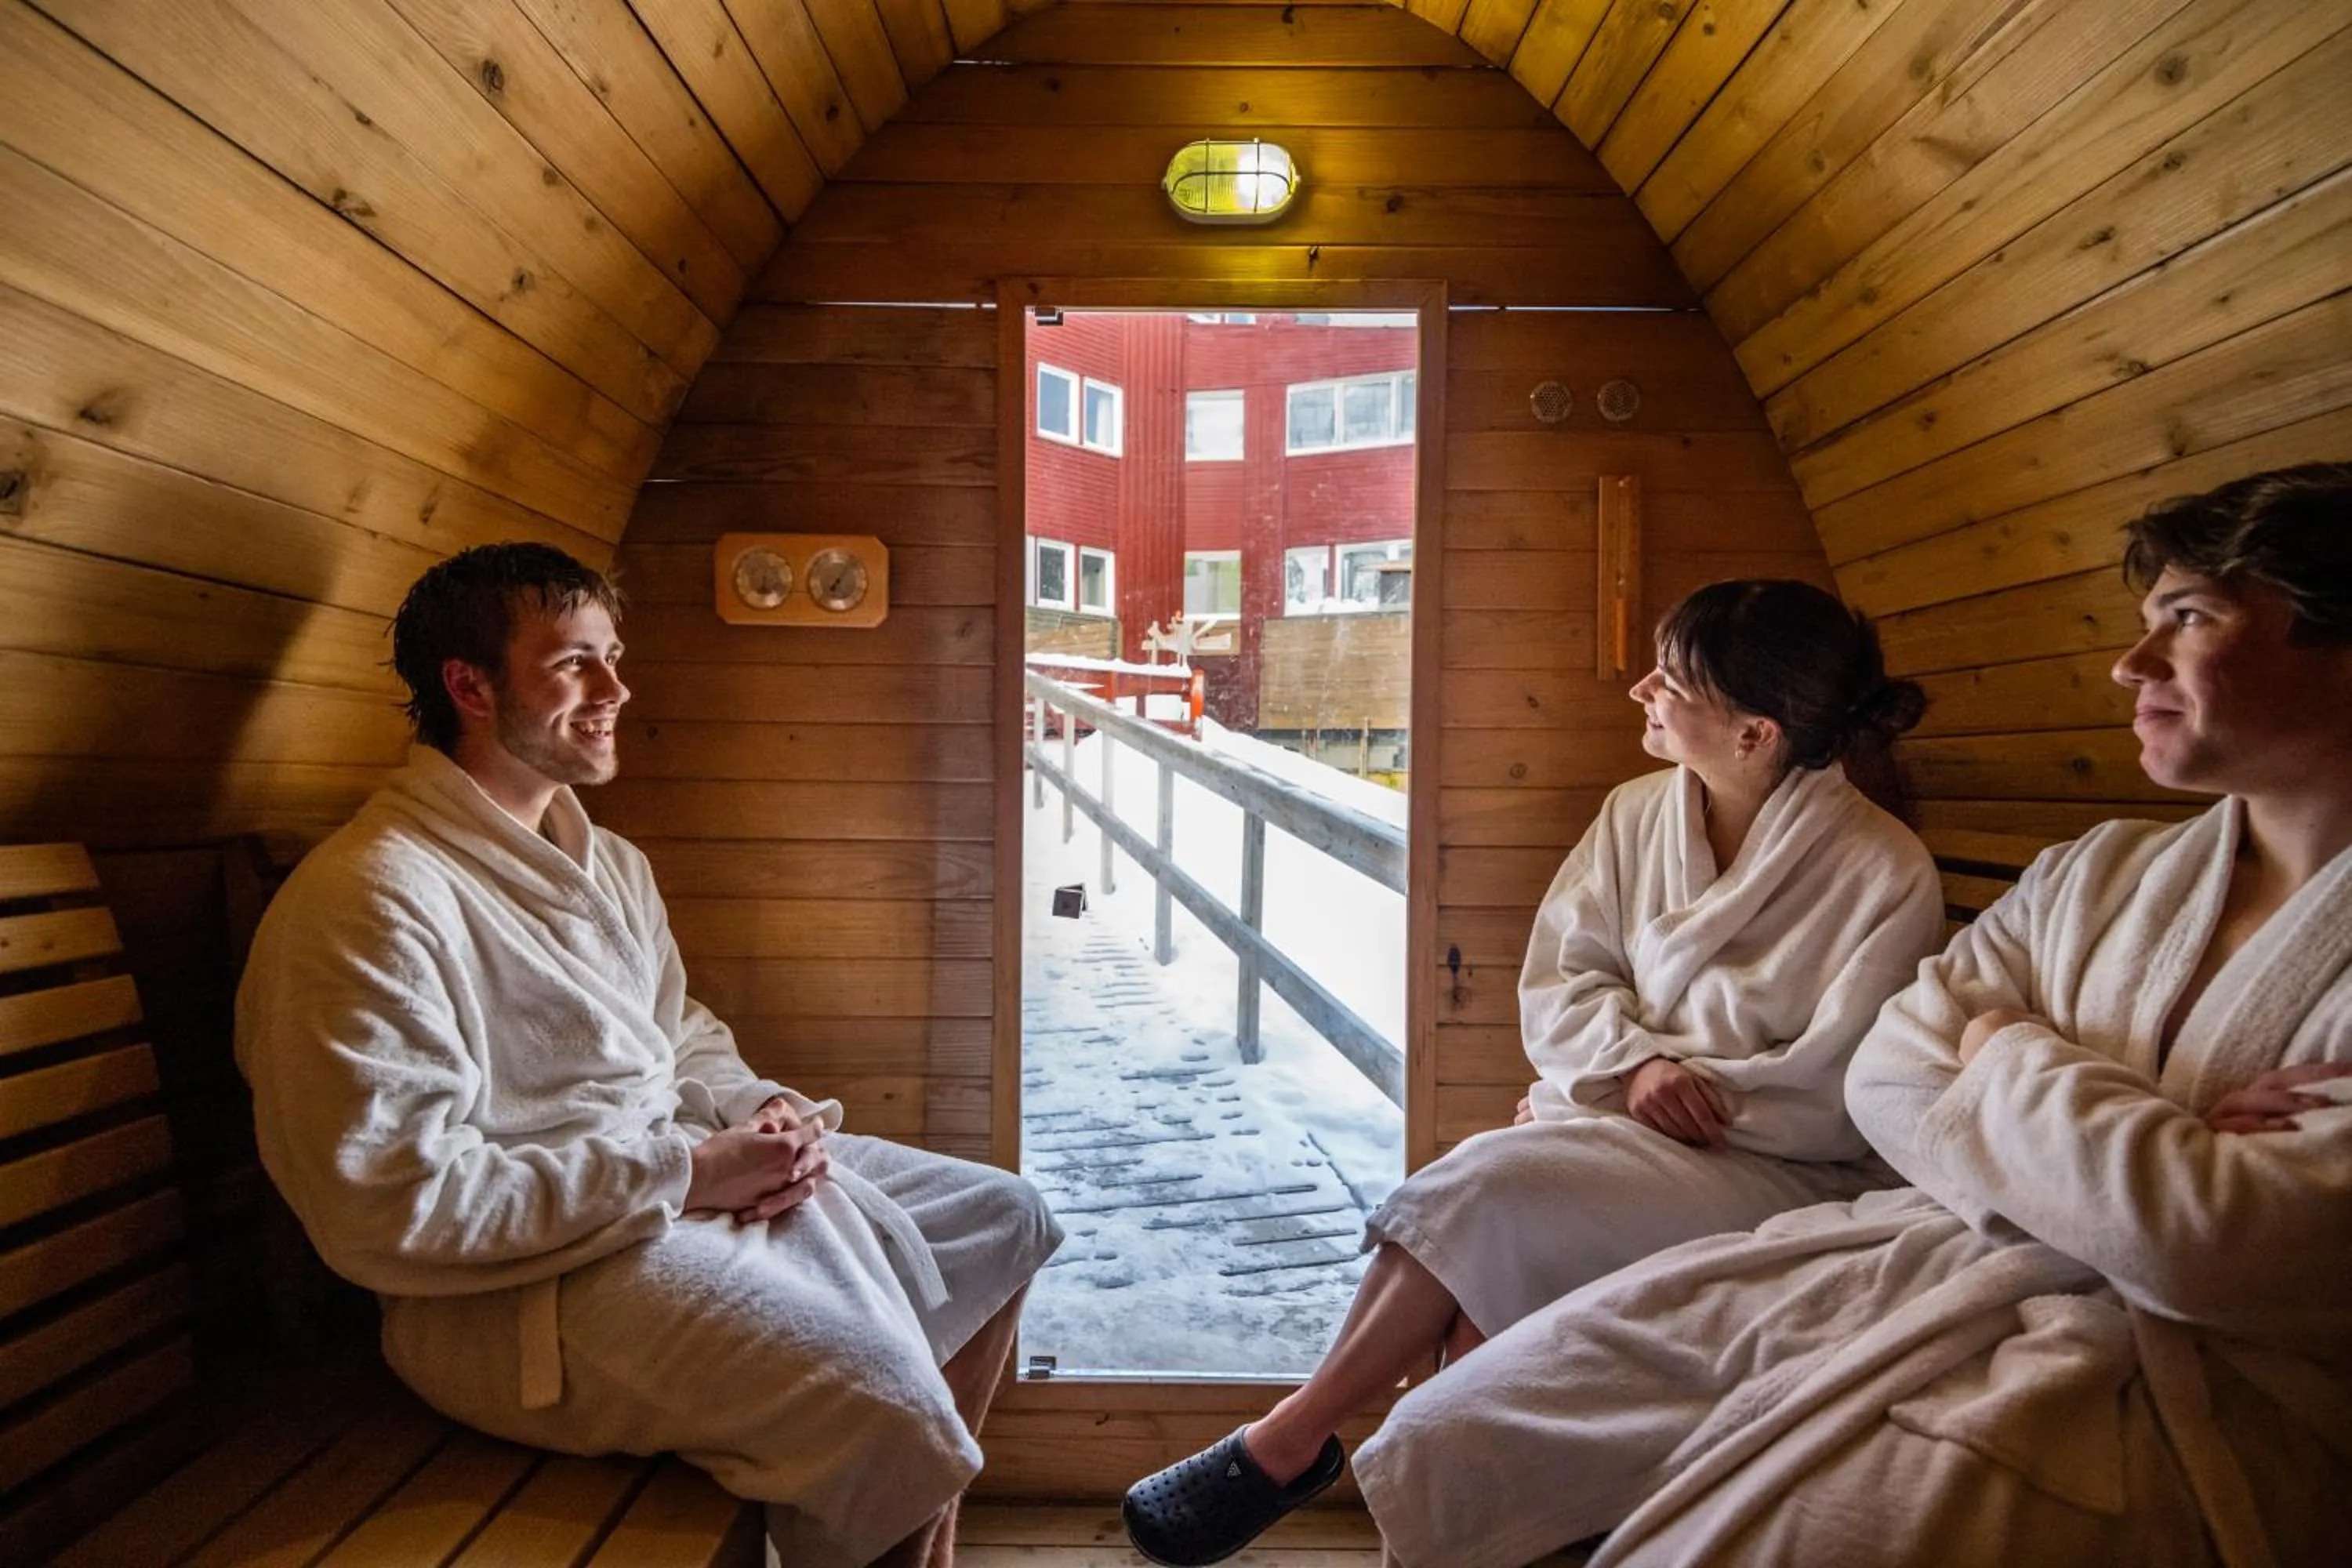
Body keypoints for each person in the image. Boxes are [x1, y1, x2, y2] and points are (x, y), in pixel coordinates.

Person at [1347, 463, 2352, 1567]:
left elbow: (2212, 1247)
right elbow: (1892, 1076)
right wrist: (2146, 1141)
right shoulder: (2101, 873)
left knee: (1757, 1525)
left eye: (2192, 618)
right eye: (2146, 620)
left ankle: (1293, 1440)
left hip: (1972, 1263)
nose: (2129, 663)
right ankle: (1310, 1437)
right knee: (1464, 1426)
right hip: (1914, 1233)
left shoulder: (1880, 866)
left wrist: (2004, 1051)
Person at [235, 543, 1062, 1568]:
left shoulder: (608, 865)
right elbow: (391, 1201)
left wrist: (758, 1111)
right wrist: (684, 1175)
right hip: (509, 1298)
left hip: (660, 1197)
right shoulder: (372, 898)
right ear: (470, 685)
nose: (617, 689)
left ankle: (903, 1533)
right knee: (886, 1407)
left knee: (1004, 1216)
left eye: (613, 657)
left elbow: (677, 1037)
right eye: (577, 663)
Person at [1124, 579, 1945, 1565]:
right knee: (1480, 1260)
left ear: (1755, 734)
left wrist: (1658, 1097)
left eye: (1674, 678)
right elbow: (1564, 973)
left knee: (1488, 1181)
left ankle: (1295, 1437)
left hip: (1772, 1163)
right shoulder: (1638, 815)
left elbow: (1841, 1078)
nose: (1643, 687)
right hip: (1623, 1125)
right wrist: (1629, 1065)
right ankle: (1418, 1504)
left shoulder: (1883, 873)